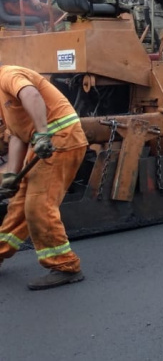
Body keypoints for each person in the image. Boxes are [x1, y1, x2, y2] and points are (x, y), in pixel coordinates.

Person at [0, 63, 88, 290]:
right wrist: (11, 174)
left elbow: (31, 94)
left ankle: (65, 266)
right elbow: (17, 135)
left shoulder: (8, 75)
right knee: (18, 204)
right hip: (45, 141)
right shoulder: (2, 98)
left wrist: (41, 134)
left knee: (38, 204)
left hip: (61, 137)